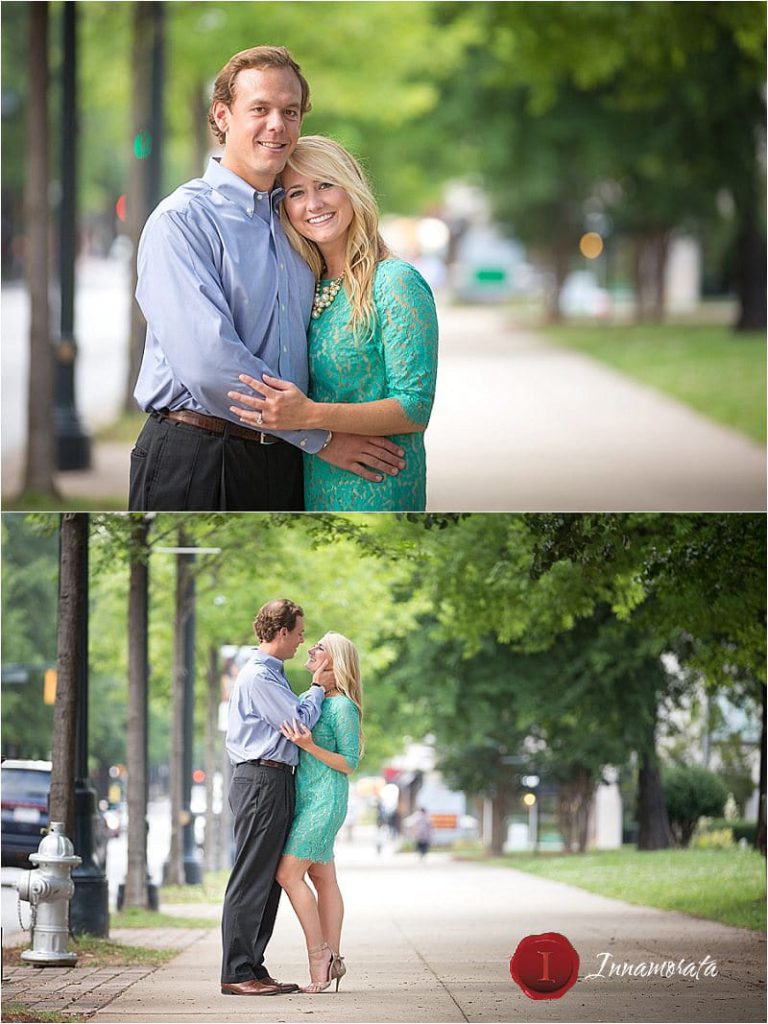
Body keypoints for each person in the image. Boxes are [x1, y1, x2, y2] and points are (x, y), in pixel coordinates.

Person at [129, 46, 405, 511]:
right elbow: (208, 364)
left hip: (287, 462)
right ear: (222, 116)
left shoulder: (297, 218)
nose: (277, 124)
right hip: (198, 455)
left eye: (290, 111)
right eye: (260, 109)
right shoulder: (181, 221)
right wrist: (320, 436)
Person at [227, 135, 439, 511]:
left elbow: (414, 407)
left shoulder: (394, 281)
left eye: (325, 185)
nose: (313, 204)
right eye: (296, 193)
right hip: (310, 480)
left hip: (377, 482)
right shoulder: (303, 285)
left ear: (352, 189)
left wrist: (309, 416)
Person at [220, 599, 334, 997]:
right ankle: (236, 972)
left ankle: (252, 966)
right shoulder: (259, 678)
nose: (302, 642)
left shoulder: (272, 675)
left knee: (267, 880)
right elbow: (298, 723)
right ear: (282, 632)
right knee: (251, 877)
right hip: (260, 780)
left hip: (273, 780)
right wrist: (318, 687)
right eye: (300, 633)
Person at [275, 632, 363, 992]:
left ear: (335, 660)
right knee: (324, 880)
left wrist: (309, 746)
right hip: (305, 797)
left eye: (320, 647)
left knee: (287, 874)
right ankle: (334, 960)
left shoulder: (343, 706)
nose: (310, 650)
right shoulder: (311, 698)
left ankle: (319, 955)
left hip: (326, 800)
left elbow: (349, 762)